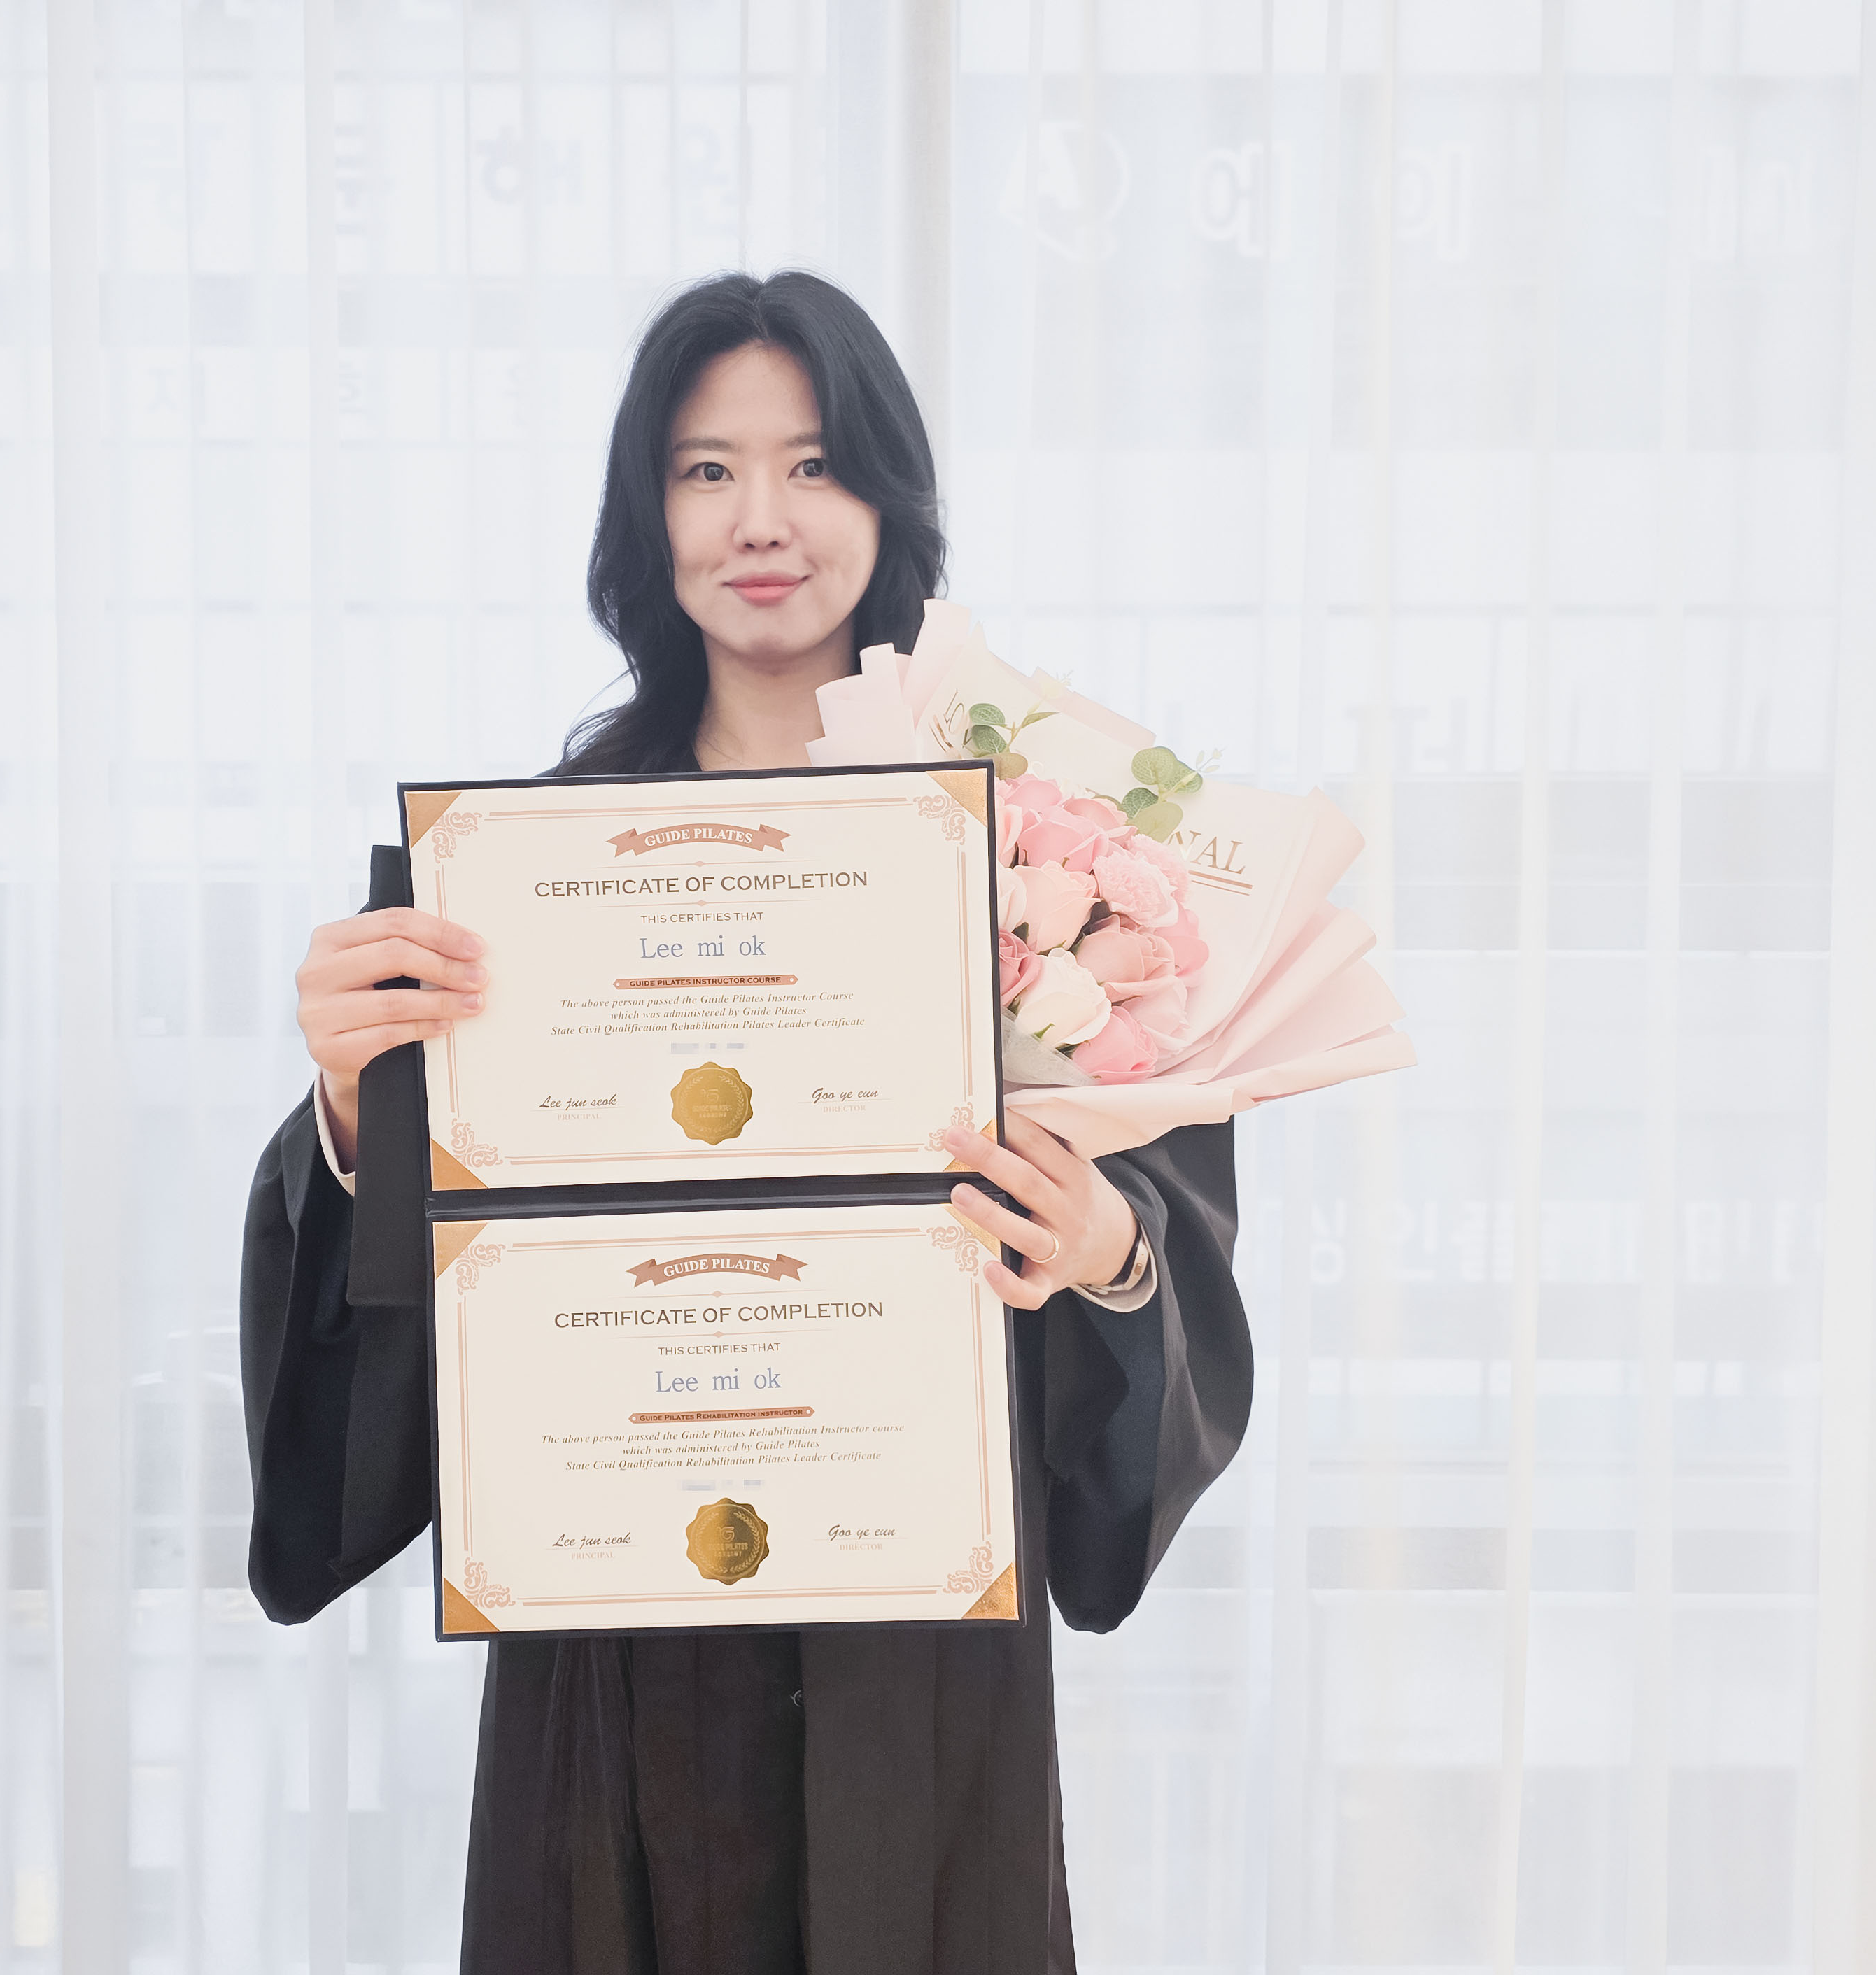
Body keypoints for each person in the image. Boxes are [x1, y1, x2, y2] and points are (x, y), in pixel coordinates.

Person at [238, 269, 1252, 1975]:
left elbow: (1157, 1269)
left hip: (917, 1672)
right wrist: (354, 1109)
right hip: (613, 1675)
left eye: (812, 463)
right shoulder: (522, 882)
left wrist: (1105, 1248)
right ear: (644, 515)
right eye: (705, 468)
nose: (759, 517)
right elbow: (393, 1372)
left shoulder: (1038, 867)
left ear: (888, 499)